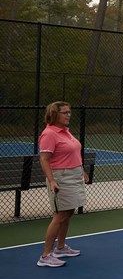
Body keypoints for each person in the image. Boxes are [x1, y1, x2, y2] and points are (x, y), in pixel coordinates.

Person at [36, 102, 89, 267]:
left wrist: (81, 171)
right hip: (61, 177)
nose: (68, 115)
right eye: (65, 112)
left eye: (69, 112)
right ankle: (45, 256)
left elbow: (73, 153)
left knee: (69, 212)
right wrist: (52, 180)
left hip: (74, 175)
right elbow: (44, 159)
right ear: (54, 114)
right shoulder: (49, 134)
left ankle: (60, 248)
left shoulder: (65, 131)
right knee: (59, 216)